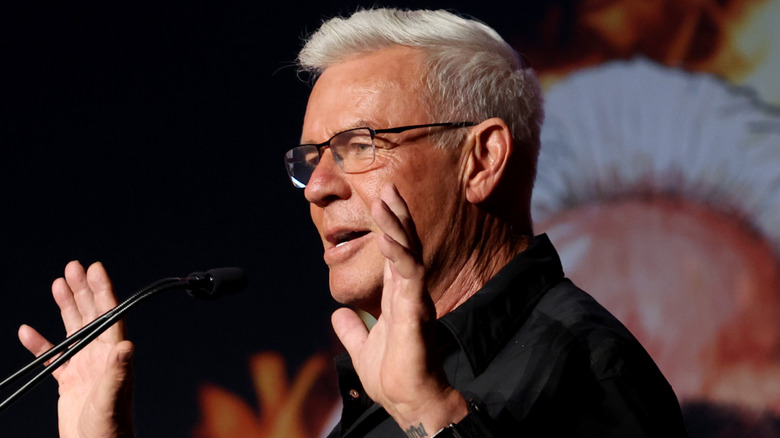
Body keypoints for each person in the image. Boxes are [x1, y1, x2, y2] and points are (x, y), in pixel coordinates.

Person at [18, 8, 688, 438]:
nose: (319, 188)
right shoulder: (381, 375)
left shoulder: (591, 370)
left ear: (481, 160)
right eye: (310, 158)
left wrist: (433, 415)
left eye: (360, 146)